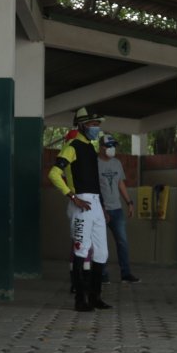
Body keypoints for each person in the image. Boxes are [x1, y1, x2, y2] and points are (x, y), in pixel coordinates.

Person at [48, 107, 113, 311]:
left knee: (101, 253)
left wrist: (102, 207)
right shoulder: (72, 146)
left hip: (95, 204)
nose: (96, 128)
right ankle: (80, 299)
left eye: (98, 125)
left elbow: (94, 181)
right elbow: (54, 174)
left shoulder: (91, 149)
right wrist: (72, 197)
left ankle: (95, 297)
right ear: (82, 125)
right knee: (80, 250)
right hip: (81, 203)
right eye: (93, 124)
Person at [98, 135, 141, 283]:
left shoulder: (117, 163)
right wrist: (101, 208)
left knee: (122, 242)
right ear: (101, 147)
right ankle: (102, 275)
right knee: (101, 244)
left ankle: (126, 274)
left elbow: (120, 183)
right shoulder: (94, 164)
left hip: (117, 210)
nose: (112, 149)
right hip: (100, 211)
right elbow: (93, 188)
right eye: (109, 146)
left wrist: (129, 202)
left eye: (113, 146)